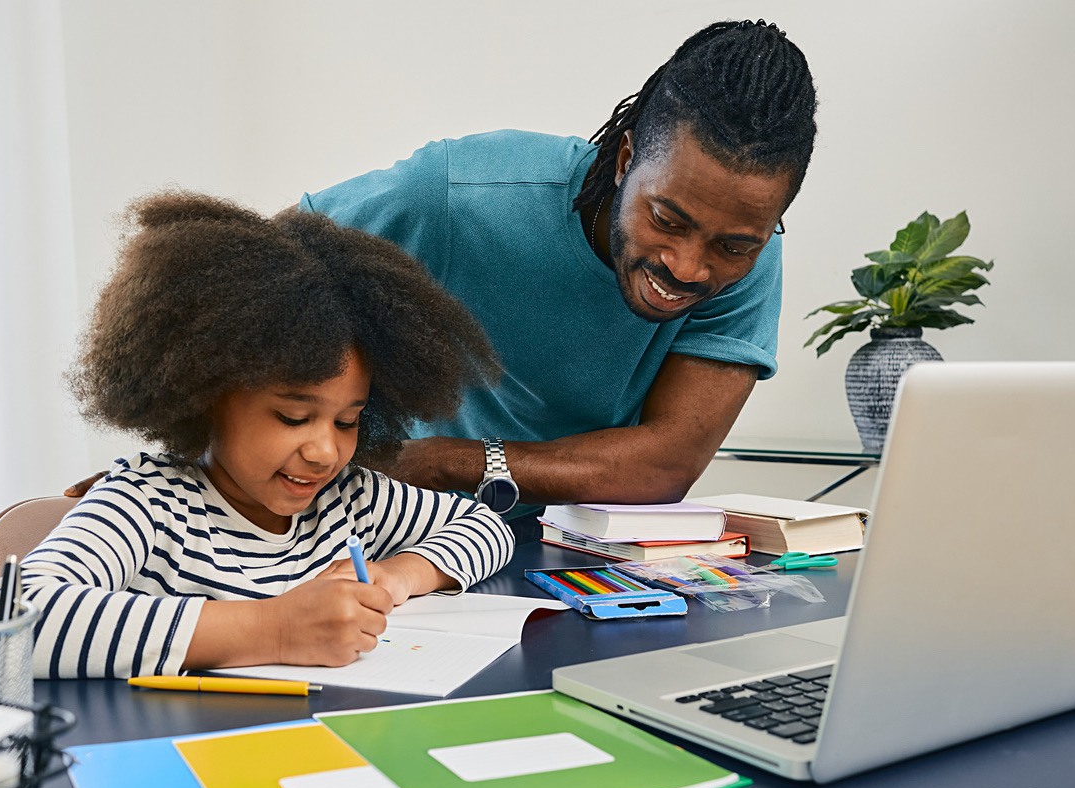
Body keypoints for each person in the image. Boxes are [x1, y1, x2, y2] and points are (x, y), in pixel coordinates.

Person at [299, 19, 819, 540]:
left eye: (732, 246)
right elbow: (263, 271)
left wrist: (443, 462)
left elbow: (666, 464)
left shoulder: (752, 256)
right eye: (667, 220)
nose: (687, 267)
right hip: (379, 527)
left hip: (565, 546)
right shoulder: (462, 194)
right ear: (625, 160)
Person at [24, 191, 511, 679]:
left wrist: (398, 575)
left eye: (347, 422)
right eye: (293, 418)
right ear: (207, 395)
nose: (325, 452)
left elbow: (487, 527)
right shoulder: (151, 504)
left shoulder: (349, 500)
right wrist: (274, 630)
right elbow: (20, 620)